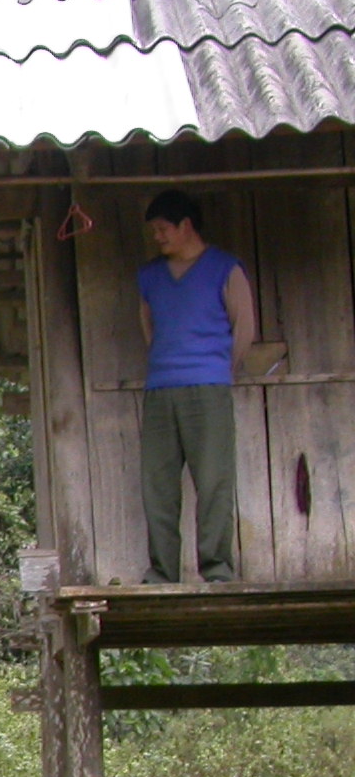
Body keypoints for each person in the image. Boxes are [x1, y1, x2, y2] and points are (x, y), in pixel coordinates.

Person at [136, 188, 255, 584]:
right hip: (160, 390)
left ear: (186, 226)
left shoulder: (225, 268)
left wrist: (219, 369)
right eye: (155, 230)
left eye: (163, 228)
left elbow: (245, 328)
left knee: (214, 481)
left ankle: (217, 570)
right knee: (158, 486)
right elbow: (149, 327)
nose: (158, 237)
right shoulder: (150, 276)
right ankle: (161, 572)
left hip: (209, 388)